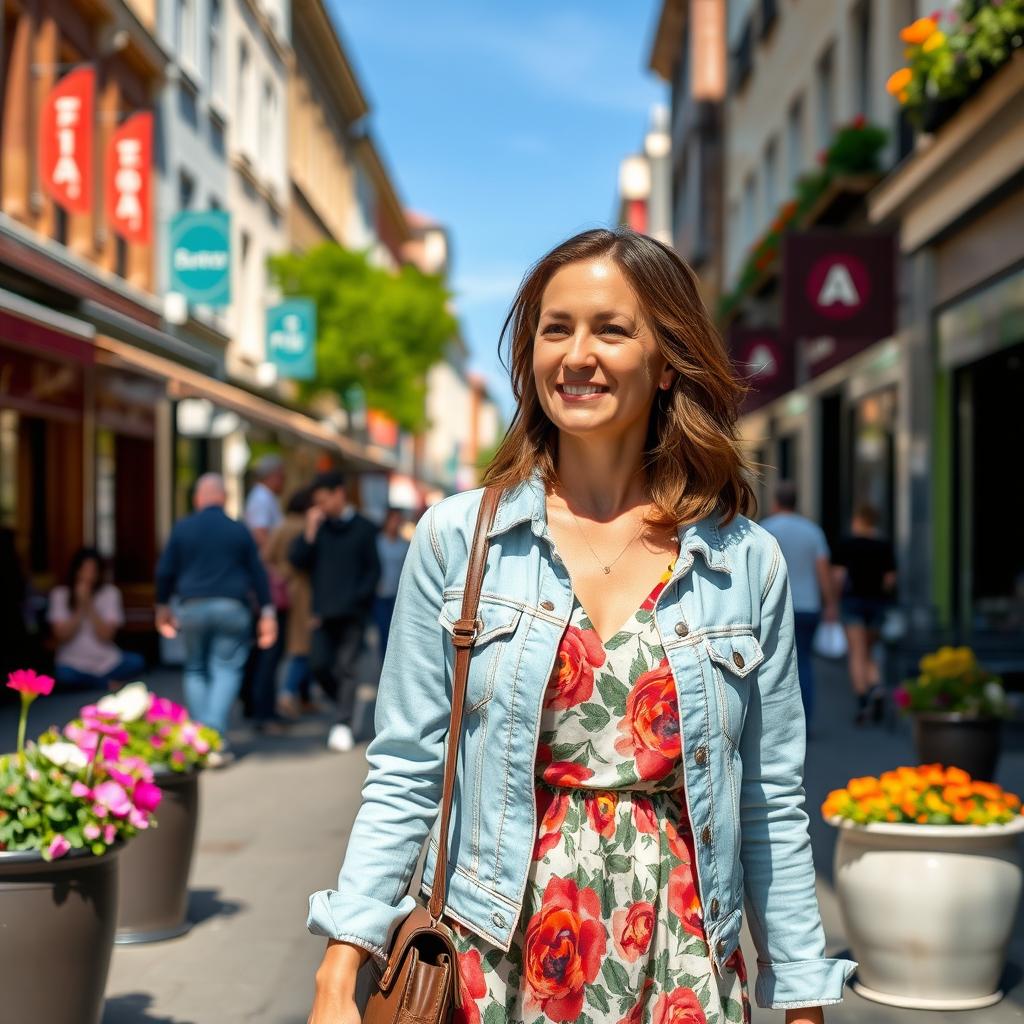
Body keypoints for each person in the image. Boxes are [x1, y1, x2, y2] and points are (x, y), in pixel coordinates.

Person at [306, 229, 854, 1024]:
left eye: (611, 328)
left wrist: (802, 993)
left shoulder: (745, 561)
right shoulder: (461, 541)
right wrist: (341, 961)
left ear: (668, 361)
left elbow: (769, 798)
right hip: (495, 947)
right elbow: (406, 769)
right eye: (555, 329)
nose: (576, 353)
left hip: (685, 957)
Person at [155, 473, 277, 763]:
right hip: (232, 609)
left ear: (198, 499)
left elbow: (164, 571)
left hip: (192, 607)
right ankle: (215, 737)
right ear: (224, 498)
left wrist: (162, 606)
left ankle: (200, 738)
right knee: (226, 669)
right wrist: (268, 612)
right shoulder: (239, 530)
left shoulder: (182, 528)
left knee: (196, 669)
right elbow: (258, 574)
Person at [289, 470, 380, 753]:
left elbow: (372, 570)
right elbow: (297, 561)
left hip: (352, 613)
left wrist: (359, 601)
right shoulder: (320, 528)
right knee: (318, 665)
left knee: (346, 667)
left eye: (324, 500)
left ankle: (342, 722)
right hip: (321, 614)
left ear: (339, 493)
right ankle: (346, 706)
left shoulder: (364, 528)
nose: (321, 507)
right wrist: (310, 531)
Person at [759, 480, 837, 732]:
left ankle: (777, 725)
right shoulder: (812, 531)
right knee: (803, 663)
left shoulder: (764, 529)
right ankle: (804, 721)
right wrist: (830, 603)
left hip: (774, 606)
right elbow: (823, 571)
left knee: (773, 665)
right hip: (808, 606)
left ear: (775, 502)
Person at [831, 502, 897, 726]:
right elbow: (890, 580)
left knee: (857, 652)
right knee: (870, 651)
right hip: (877, 603)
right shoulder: (883, 546)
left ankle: (862, 700)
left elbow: (838, 576)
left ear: (857, 521)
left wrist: (832, 600)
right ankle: (876, 686)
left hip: (852, 602)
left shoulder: (847, 545)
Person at [47, 547, 145, 690]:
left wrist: (89, 605)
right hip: (72, 663)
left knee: (136, 662)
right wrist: (80, 607)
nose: (88, 576)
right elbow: (62, 636)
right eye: (84, 570)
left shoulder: (110, 593)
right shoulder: (60, 594)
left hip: (107, 661)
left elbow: (106, 636)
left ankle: (95, 682)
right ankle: (103, 683)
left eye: (93, 571)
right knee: (63, 675)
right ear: (75, 571)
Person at [266, 486, 317, 719]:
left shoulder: (281, 526)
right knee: (303, 647)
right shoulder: (307, 527)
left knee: (296, 646)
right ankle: (287, 692)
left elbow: (266, 557)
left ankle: (304, 698)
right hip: (305, 591)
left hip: (283, 593)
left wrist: (280, 574)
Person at [373, 508, 409, 662]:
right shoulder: (378, 542)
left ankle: (393, 662)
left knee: (395, 632)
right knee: (383, 630)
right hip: (380, 593)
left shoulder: (404, 544)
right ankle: (383, 663)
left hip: (397, 594)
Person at [244, 453, 286, 554]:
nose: (284, 481)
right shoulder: (261, 497)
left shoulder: (266, 495)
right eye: (282, 476)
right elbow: (260, 533)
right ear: (272, 476)